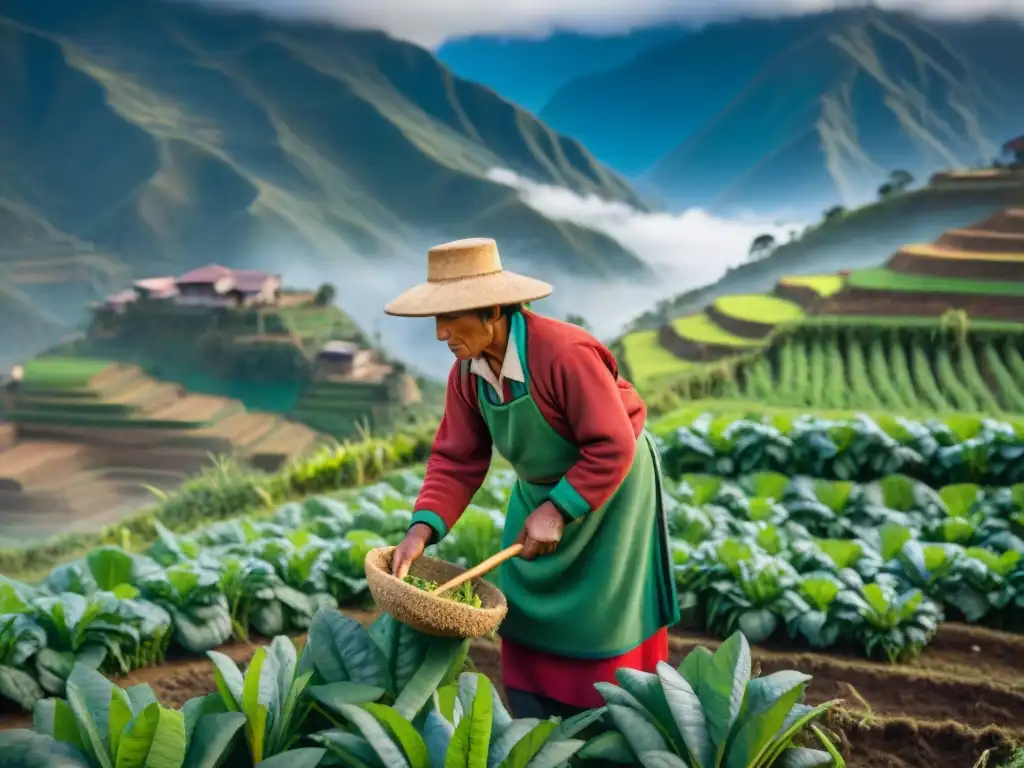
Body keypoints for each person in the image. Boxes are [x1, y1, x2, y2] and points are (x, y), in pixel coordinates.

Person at [386, 237, 679, 719]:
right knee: (520, 598)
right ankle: (535, 712)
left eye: (450, 317)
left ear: (492, 311)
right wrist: (421, 531)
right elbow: (457, 459)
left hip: (610, 486)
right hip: (539, 488)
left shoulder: (564, 354)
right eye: (434, 320)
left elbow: (612, 444)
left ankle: (606, 716)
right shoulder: (468, 375)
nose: (440, 334)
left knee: (601, 607)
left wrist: (560, 508)